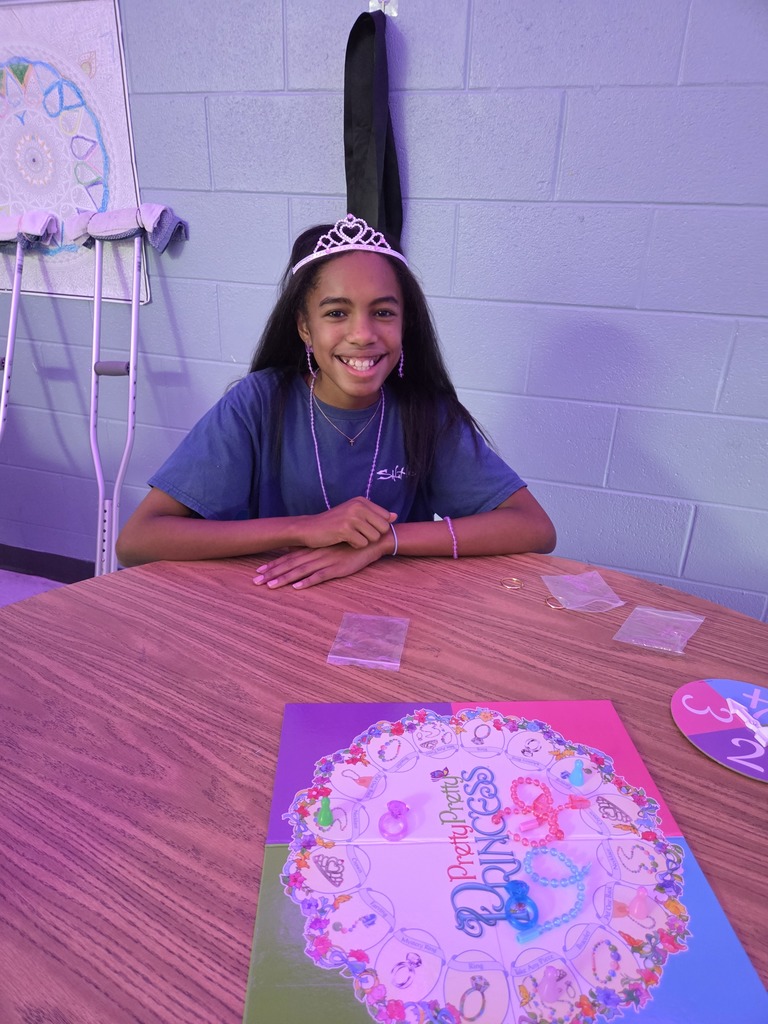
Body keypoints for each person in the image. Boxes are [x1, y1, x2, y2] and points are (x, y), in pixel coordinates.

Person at [116, 215, 555, 588]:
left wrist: (386, 542)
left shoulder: (425, 411)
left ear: (406, 325)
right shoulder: (258, 404)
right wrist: (306, 530)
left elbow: (534, 528)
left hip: (399, 617)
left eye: (383, 312)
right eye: (336, 313)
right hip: (275, 612)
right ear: (305, 328)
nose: (363, 334)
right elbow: (138, 541)